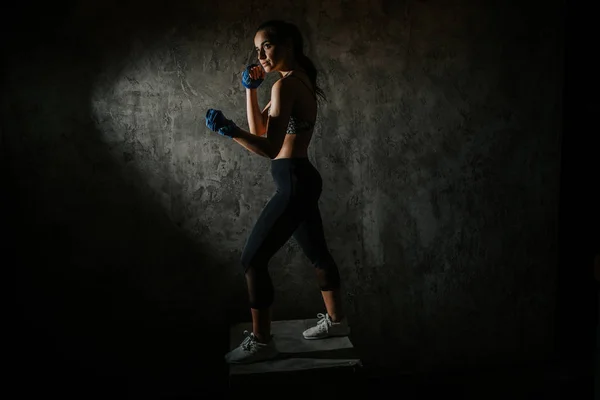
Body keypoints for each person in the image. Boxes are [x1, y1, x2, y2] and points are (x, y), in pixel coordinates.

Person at [205, 20, 350, 364]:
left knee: (252, 260)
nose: (261, 55)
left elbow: (269, 147)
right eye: (257, 49)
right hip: (298, 178)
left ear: (288, 45)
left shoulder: (286, 87)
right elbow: (261, 128)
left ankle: (262, 340)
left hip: (294, 181)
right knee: (318, 254)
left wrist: (229, 130)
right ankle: (337, 322)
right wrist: (250, 90)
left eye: (267, 45)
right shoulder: (292, 82)